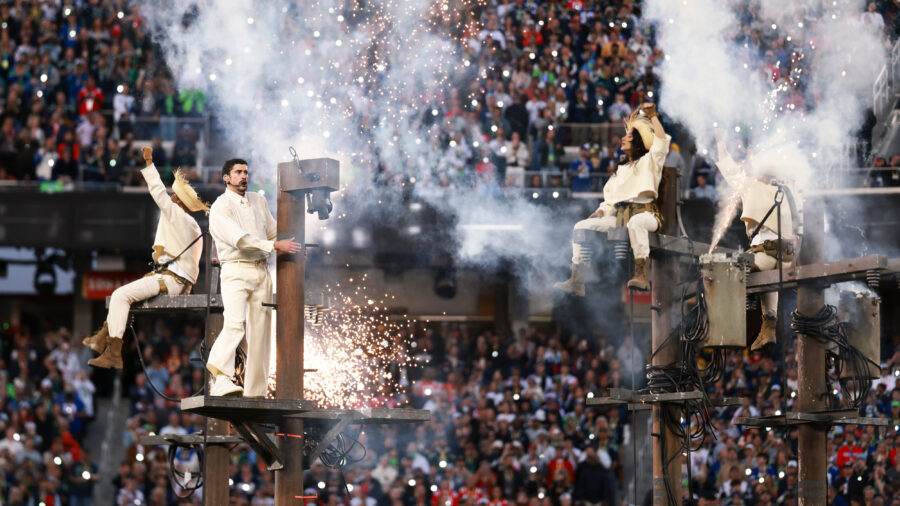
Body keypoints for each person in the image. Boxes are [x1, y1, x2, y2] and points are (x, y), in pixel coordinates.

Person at [83, 146, 207, 368]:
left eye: (174, 196)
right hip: (175, 280)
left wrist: (149, 164)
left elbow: (158, 192)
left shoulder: (177, 215)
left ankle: (113, 354)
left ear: (179, 202)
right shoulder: (192, 225)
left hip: (171, 280)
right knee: (126, 296)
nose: (170, 197)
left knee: (120, 295)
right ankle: (101, 339)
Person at [206, 159, 302, 397]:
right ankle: (219, 379)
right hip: (236, 270)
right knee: (235, 324)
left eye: (246, 172)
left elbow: (272, 231)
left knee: (261, 332)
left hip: (261, 269)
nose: (244, 176)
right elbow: (240, 239)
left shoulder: (259, 200)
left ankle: (255, 391)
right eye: (238, 172)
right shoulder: (220, 206)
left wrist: (294, 242)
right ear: (226, 177)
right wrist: (275, 245)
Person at [555, 103, 669, 296]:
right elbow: (609, 202)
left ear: (638, 142)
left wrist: (653, 115)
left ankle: (641, 275)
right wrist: (600, 212)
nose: (622, 139)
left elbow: (661, 141)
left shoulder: (650, 161)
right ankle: (577, 279)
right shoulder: (619, 171)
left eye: (628, 136)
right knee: (581, 226)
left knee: (636, 223)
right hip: (619, 218)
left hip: (647, 215)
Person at [714, 129, 802, 351]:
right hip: (788, 255)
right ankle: (768, 325)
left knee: (733, 269)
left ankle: (728, 324)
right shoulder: (790, 188)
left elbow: (730, 170)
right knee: (766, 281)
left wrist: (720, 144)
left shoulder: (751, 186)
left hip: (765, 251)